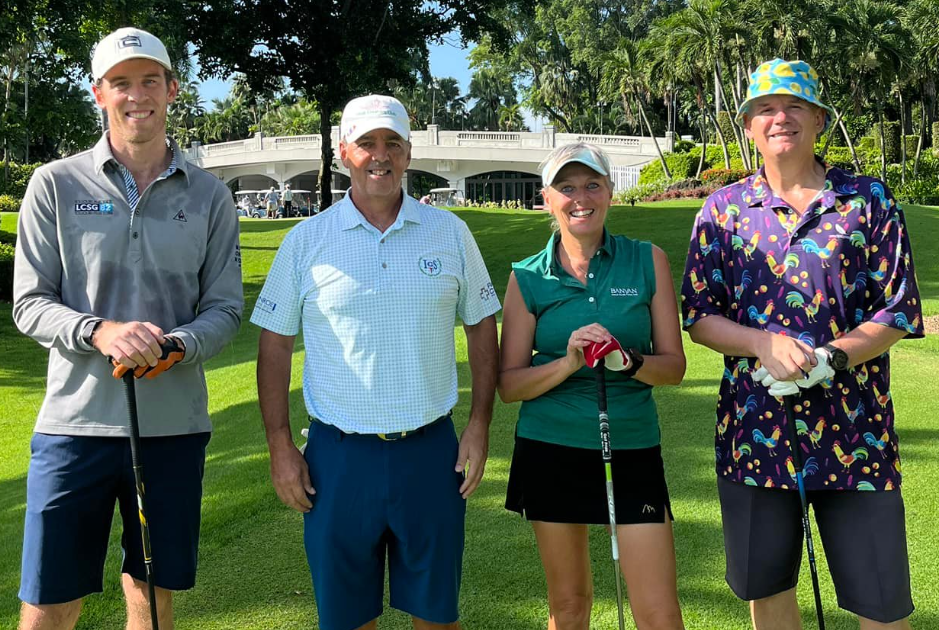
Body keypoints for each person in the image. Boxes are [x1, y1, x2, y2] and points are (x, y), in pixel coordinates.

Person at [12, 27, 243, 630]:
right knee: (48, 600)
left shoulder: (211, 196)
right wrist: (100, 331)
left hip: (173, 428)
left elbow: (224, 309)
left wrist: (178, 344)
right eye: (120, 83)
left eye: (149, 81)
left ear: (171, 89)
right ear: (99, 93)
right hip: (73, 426)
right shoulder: (55, 183)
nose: (136, 95)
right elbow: (30, 303)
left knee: (152, 593)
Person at [681, 59, 923, 630]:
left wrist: (832, 357)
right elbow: (699, 315)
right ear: (749, 126)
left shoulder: (867, 200)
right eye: (765, 109)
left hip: (857, 435)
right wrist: (761, 343)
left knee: (883, 605)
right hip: (754, 436)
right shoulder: (722, 210)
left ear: (818, 119)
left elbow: (897, 308)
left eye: (794, 106)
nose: (780, 118)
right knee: (768, 595)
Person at [251, 94, 500, 630]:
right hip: (338, 459)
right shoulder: (305, 241)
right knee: (346, 621)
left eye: (392, 143)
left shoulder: (450, 232)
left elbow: (482, 325)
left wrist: (480, 423)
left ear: (409, 153)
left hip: (430, 454)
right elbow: (274, 346)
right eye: (366, 143)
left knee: (437, 619)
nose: (380, 155)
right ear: (344, 152)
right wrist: (279, 444)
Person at [498, 142, 687, 630]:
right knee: (569, 605)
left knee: (659, 612)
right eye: (566, 187)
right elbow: (510, 385)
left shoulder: (647, 260)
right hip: (550, 446)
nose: (580, 198)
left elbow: (674, 368)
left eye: (592, 185)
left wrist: (629, 361)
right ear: (547, 199)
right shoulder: (527, 277)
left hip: (631, 445)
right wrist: (568, 363)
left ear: (609, 192)